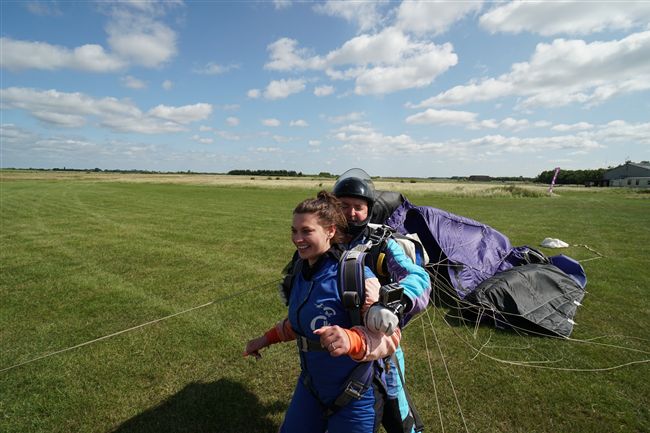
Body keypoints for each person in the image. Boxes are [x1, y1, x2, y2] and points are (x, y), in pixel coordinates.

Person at [244, 191, 401, 433]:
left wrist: (351, 340)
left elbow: (391, 336)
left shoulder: (354, 275)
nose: (298, 239)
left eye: (306, 231)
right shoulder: (301, 272)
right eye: (294, 231)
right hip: (311, 389)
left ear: (330, 231)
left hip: (355, 394)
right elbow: (303, 323)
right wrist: (265, 339)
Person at [333, 168, 431, 433]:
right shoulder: (324, 240)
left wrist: (394, 303)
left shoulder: (381, 243)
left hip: (380, 345)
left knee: (395, 410)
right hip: (337, 345)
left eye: (358, 207)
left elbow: (416, 275)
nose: (351, 213)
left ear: (368, 210)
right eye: (344, 206)